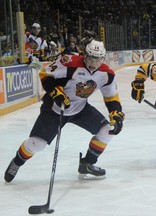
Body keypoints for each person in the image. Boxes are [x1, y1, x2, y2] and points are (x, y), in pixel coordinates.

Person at [4, 40, 125, 182]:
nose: (93, 63)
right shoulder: (70, 62)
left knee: (107, 130)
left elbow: (111, 96)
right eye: (90, 58)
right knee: (37, 144)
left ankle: (87, 163)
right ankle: (17, 162)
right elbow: (45, 74)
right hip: (55, 109)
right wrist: (55, 92)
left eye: (97, 60)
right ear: (84, 55)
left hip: (80, 108)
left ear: (103, 59)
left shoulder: (107, 74)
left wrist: (116, 112)